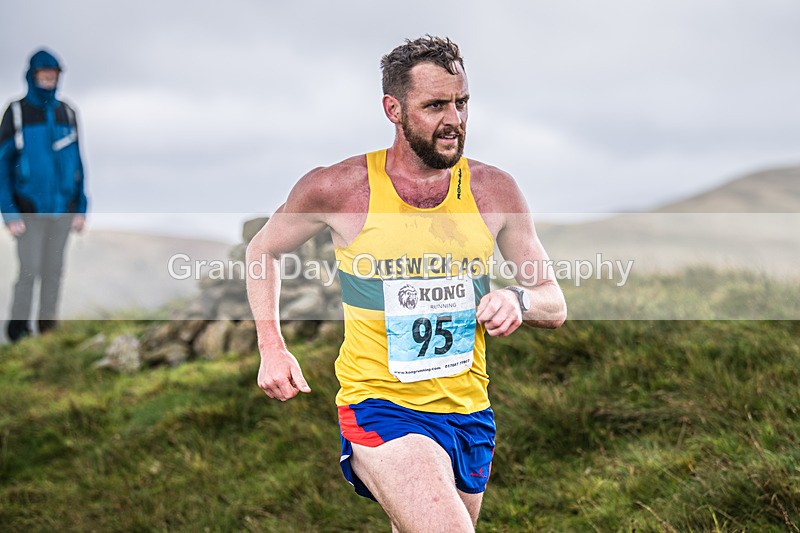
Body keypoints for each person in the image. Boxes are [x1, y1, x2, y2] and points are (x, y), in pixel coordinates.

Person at [246, 36, 567, 532]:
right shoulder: (339, 188)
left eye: (461, 103)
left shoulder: (494, 191)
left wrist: (517, 299)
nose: (454, 120)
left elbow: (553, 301)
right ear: (393, 109)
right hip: (380, 406)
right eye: (435, 105)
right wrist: (271, 344)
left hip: (468, 412)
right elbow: (262, 250)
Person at [0, 49, 88, 342]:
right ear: (33, 75)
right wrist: (10, 213)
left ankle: (48, 332)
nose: (50, 78)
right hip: (28, 211)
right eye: (44, 73)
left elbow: (78, 163)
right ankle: (18, 332)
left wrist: (81, 208)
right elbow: (2, 167)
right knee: (29, 272)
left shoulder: (68, 112)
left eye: (54, 73)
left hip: (62, 209)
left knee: (54, 272)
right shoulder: (16, 112)